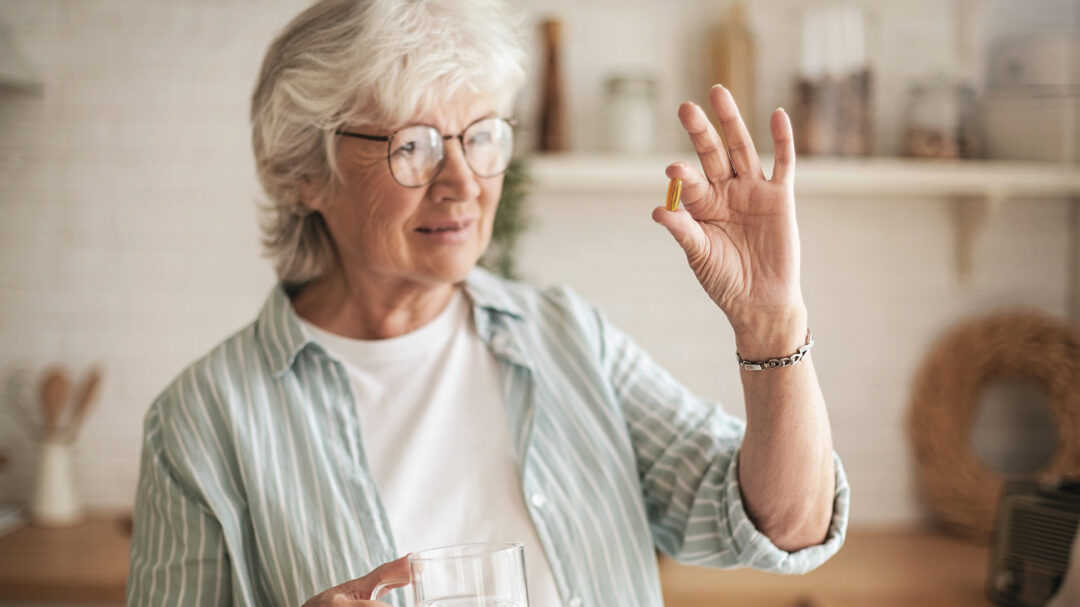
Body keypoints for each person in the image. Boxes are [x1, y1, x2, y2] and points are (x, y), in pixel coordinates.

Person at [126, 0, 850, 605]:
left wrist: (771, 320)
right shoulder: (201, 421)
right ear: (302, 173)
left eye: (481, 136)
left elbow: (788, 522)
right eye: (411, 145)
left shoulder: (566, 336)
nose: (464, 182)